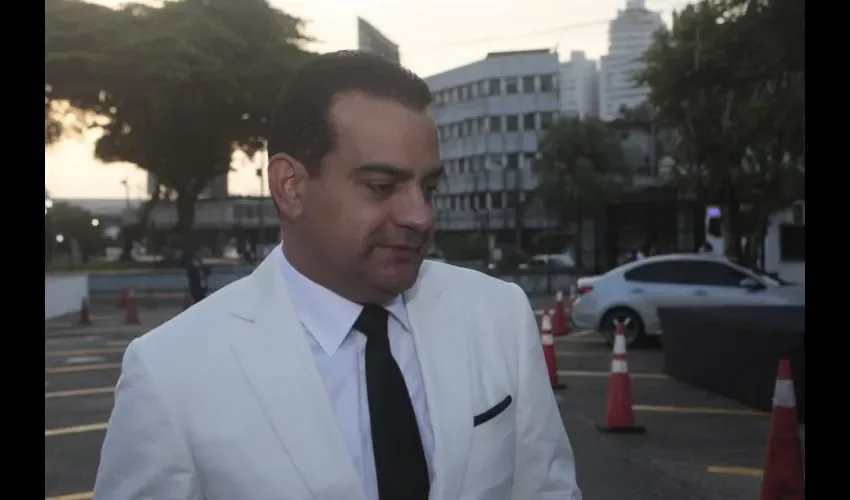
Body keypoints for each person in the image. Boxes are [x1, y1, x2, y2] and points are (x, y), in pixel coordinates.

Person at [93, 51, 582, 500]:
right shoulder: (170, 372)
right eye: (381, 186)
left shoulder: (498, 315)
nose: (420, 216)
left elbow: (547, 489)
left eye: (428, 187)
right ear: (291, 186)